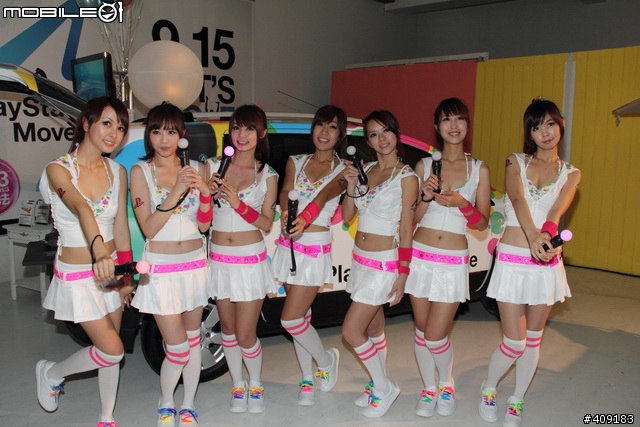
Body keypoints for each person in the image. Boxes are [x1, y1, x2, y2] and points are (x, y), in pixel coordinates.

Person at [478, 98, 581, 427]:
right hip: (512, 259)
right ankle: (488, 387)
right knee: (514, 341)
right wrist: (533, 235)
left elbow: (557, 211)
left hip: (546, 264)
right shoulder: (516, 161)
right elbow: (518, 198)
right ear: (529, 134)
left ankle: (517, 399)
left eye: (550, 124)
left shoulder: (572, 173)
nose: (545, 132)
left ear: (561, 125)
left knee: (534, 338)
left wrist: (546, 236)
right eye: (537, 127)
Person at [36, 96, 133, 427]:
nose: (115, 133)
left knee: (110, 349)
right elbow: (82, 209)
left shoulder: (117, 171)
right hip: (79, 273)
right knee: (112, 348)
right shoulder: (58, 169)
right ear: (86, 123)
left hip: (111, 270)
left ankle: (106, 417)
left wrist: (126, 275)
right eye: (107, 123)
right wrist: (99, 252)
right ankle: (52, 373)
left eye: (121, 127)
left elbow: (120, 227)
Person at [406, 97, 491, 418]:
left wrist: (462, 204)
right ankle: (429, 388)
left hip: (452, 260)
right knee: (421, 328)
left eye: (459, 119)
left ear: (467, 125)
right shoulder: (424, 165)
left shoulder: (479, 168)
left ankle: (447, 383)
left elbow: (482, 223)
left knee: (435, 334)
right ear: (437, 126)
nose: (453, 126)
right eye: (446, 120)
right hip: (420, 257)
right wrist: (425, 196)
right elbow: (411, 219)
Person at [129, 103, 211, 426]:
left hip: (194, 266)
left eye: (171, 132)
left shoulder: (199, 169)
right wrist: (177, 190)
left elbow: (204, 225)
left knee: (192, 340)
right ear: (148, 135)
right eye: (157, 131)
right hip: (161, 270)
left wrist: (205, 194)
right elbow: (148, 228)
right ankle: (166, 400)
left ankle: (188, 403)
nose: (164, 140)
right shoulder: (141, 172)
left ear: (182, 135)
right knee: (176, 348)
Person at [341, 110, 418, 418]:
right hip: (360, 260)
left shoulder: (407, 177)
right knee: (373, 327)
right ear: (368, 141)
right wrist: (350, 185)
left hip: (384, 263)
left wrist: (403, 273)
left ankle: (385, 388)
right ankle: (377, 382)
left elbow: (406, 228)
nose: (381, 138)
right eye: (373, 134)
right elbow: (348, 216)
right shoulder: (367, 169)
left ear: (396, 133)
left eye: (386, 131)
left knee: (351, 331)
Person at [271, 105, 347, 406]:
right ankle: (306, 377)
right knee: (302, 317)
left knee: (290, 319)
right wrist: (285, 214)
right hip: (288, 245)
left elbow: (324, 195)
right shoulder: (296, 161)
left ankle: (326, 360)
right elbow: (285, 191)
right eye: (320, 125)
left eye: (332, 127)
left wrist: (303, 218)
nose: (324, 132)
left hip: (315, 248)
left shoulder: (345, 169)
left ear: (340, 134)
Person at [205, 104, 278, 414]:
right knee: (228, 329)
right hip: (219, 259)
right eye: (236, 127)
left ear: (261, 134)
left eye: (249, 129)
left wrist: (237, 203)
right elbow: (201, 218)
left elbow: (266, 223)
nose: (242, 135)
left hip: (249, 260)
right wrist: (206, 196)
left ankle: (256, 384)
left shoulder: (267, 175)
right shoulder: (212, 167)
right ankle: (238, 384)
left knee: (246, 334)